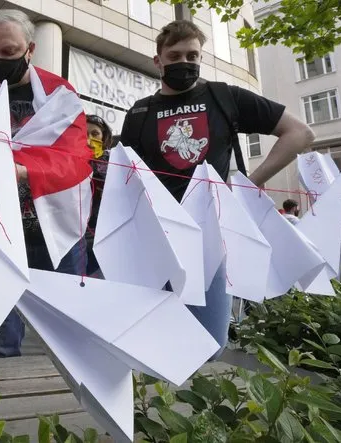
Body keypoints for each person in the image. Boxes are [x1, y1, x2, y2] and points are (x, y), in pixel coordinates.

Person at [121, 20, 314, 358]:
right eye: (175, 55)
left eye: (192, 55)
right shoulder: (139, 112)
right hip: (157, 237)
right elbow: (125, 178)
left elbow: (299, 133)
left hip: (210, 236)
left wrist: (247, 185)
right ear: (158, 61)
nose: (184, 62)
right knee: (156, 336)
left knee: (210, 343)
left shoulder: (225, 97)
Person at [0, 9, 92, 357]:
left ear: (30, 49)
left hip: (56, 233)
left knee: (69, 336)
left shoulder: (60, 95)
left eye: (8, 52)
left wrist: (19, 168)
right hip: (4, 234)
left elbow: (75, 161)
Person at [85, 114, 113, 277]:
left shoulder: (115, 161)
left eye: (95, 134)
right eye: (84, 134)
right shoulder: (68, 158)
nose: (89, 140)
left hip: (104, 234)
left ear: (104, 137)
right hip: (77, 234)